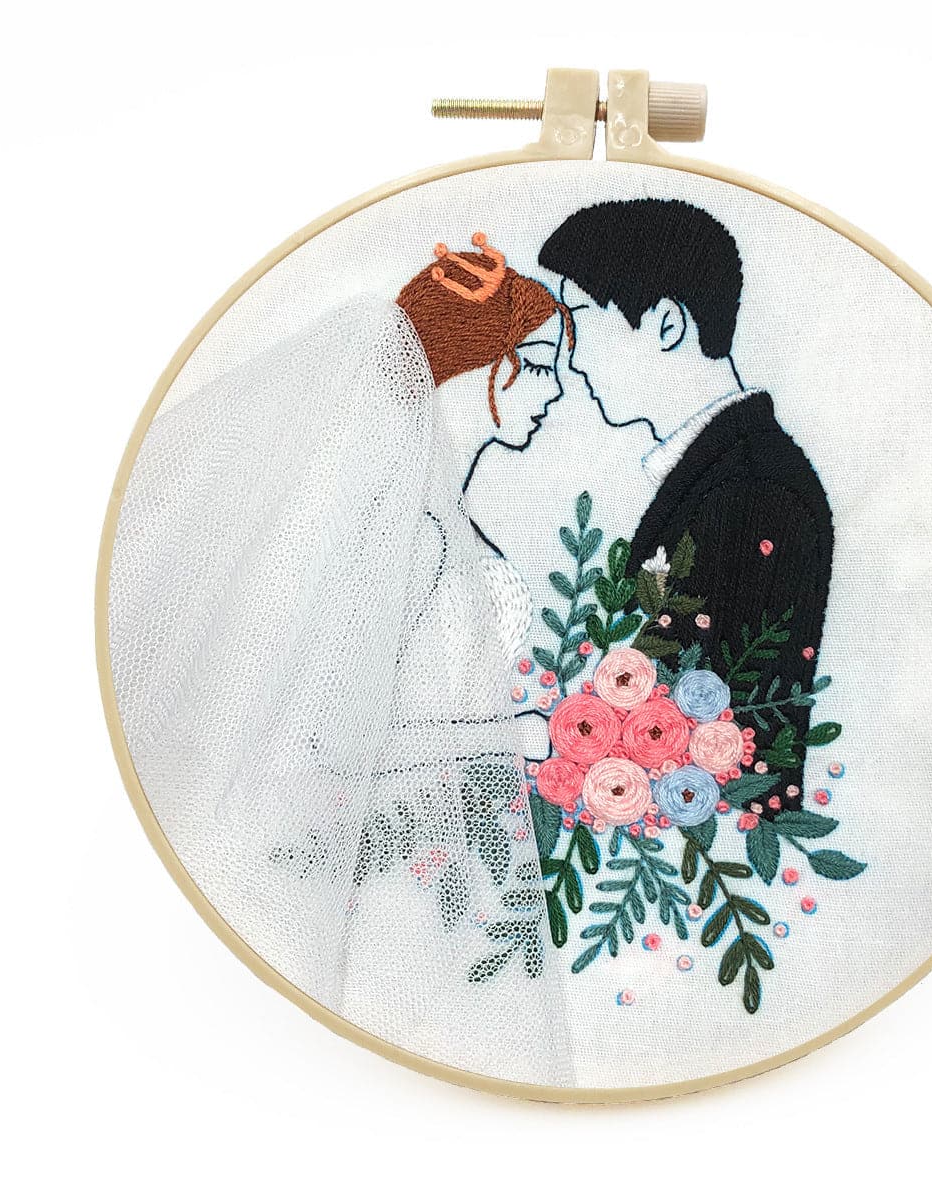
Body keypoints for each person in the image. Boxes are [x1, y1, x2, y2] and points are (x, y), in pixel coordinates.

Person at [108, 234, 578, 1057]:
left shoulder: (439, 523)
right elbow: (336, 740)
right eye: (534, 366)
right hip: (404, 872)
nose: (557, 391)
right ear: (469, 370)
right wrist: (515, 739)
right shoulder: (408, 535)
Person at [539, 200, 834, 813]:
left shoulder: (755, 490)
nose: (572, 357)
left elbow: (732, 729)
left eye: (579, 322)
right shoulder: (723, 468)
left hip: (715, 833)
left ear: (667, 324)